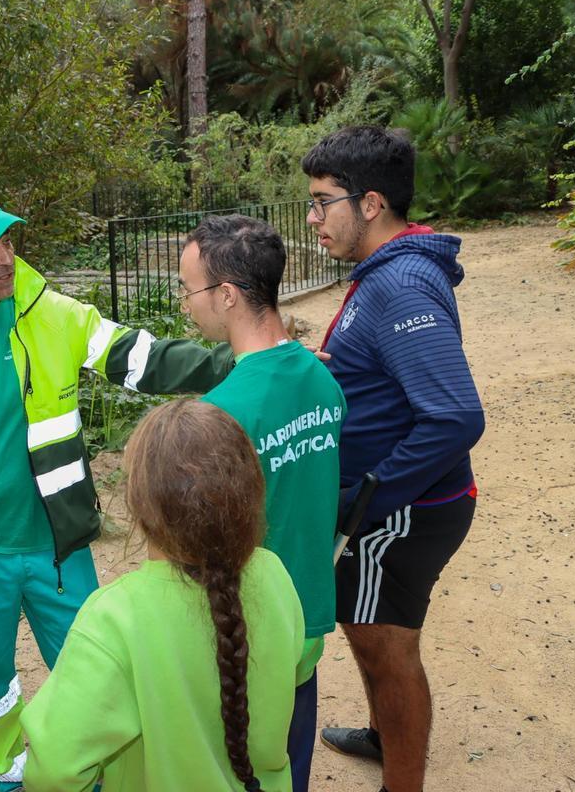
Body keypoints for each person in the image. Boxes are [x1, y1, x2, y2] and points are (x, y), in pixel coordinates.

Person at [0, 186, 236, 787]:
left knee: (99, 672)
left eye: (7, 240)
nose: (4, 256)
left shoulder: (53, 314)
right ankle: (2, 777)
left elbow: (142, 359)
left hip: (57, 547)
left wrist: (242, 362)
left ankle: (101, 777)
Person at [300, 126, 486, 792]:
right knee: (364, 628)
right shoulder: (388, 274)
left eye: (323, 202)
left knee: (387, 650)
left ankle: (401, 782)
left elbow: (457, 415)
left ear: (370, 203)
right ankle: (385, 736)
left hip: (398, 514)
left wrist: (365, 500)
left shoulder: (400, 286)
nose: (314, 218)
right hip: (383, 507)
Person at [20, 399, 305, 792]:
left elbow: (53, 773)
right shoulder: (274, 573)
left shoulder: (116, 617)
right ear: (249, 493)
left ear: (140, 507)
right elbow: (300, 667)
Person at [178, 214, 345, 792]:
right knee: (291, 763)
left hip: (247, 634)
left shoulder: (221, 415)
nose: (183, 303)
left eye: (188, 288)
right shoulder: (322, 377)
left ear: (226, 295)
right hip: (307, 623)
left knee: (241, 770)